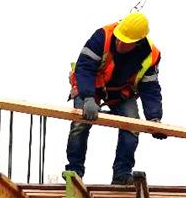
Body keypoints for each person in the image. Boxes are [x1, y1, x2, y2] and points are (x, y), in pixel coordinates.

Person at [65, 12, 166, 185]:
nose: (119, 43)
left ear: (137, 43)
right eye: (119, 38)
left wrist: (154, 118)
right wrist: (88, 97)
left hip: (121, 93)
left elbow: (150, 88)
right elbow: (84, 67)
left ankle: (121, 174)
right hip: (91, 87)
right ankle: (74, 172)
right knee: (79, 123)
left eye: (125, 42)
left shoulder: (151, 54)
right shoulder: (102, 36)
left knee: (133, 126)